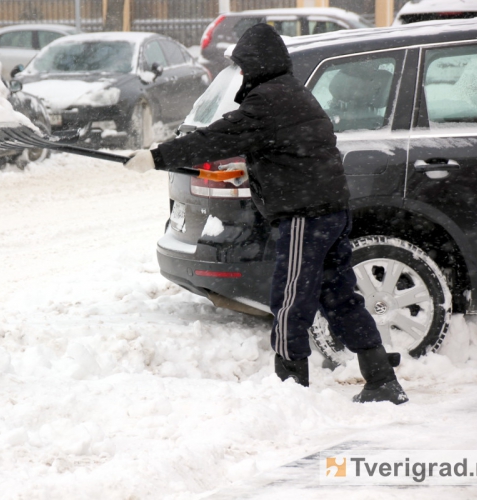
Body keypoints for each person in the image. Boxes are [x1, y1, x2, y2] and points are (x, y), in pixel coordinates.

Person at [124, 23, 408, 404]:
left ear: (256, 65)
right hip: (331, 211)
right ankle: (380, 377)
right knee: (338, 295)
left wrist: (155, 157)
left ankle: (291, 390)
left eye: (243, 66)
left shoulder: (268, 101)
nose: (241, 73)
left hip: (306, 215)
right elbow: (294, 150)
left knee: (291, 297)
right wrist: (254, 168)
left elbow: (217, 138)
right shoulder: (294, 94)